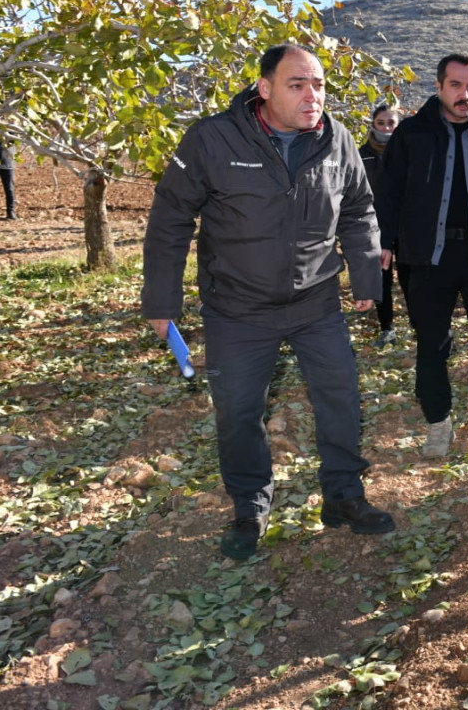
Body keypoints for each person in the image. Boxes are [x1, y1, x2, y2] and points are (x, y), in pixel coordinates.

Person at [142, 43, 394, 561]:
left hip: (315, 302)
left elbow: (359, 209)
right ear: (265, 89)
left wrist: (367, 277)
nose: (312, 95)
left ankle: (344, 495)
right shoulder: (212, 139)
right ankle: (249, 506)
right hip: (237, 308)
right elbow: (170, 220)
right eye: (297, 84)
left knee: (341, 398)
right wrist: (162, 300)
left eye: (319, 84)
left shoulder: (336, 140)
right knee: (239, 412)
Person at [376, 53, 468, 460]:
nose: (465, 94)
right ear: (439, 87)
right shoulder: (412, 133)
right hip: (427, 257)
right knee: (432, 345)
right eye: (456, 85)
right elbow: (388, 193)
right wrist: (384, 242)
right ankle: (439, 422)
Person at [359, 103, 404, 346]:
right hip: (374, 225)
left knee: (411, 277)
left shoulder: (408, 152)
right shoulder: (361, 155)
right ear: (373, 125)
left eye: (391, 123)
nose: (386, 128)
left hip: (405, 225)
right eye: (381, 123)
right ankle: (387, 327)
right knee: (382, 276)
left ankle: (421, 324)